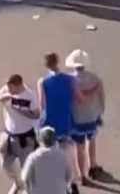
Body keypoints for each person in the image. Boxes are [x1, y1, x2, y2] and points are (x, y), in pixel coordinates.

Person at [37, 53, 91, 194]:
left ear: (46, 65)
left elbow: (42, 106)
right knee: (69, 155)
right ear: (58, 61)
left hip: (49, 124)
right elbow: (80, 99)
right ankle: (72, 184)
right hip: (65, 122)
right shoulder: (69, 79)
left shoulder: (42, 82)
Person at [0, 74, 40, 194]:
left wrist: (18, 109)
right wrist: (0, 98)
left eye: (11, 88)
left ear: (19, 85)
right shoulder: (6, 90)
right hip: (7, 135)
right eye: (8, 88)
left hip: (25, 138)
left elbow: (37, 115)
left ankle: (24, 189)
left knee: (27, 170)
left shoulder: (30, 95)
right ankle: (17, 183)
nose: (9, 91)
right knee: (5, 165)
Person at [65, 50, 105, 183]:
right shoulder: (95, 78)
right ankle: (93, 166)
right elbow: (101, 98)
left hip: (77, 118)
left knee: (79, 147)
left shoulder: (69, 81)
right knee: (92, 141)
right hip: (92, 116)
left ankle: (81, 175)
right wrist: (100, 112)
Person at [21, 126, 72, 194]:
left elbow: (25, 178)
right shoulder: (63, 156)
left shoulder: (33, 157)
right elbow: (69, 177)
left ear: (40, 141)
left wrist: (28, 191)